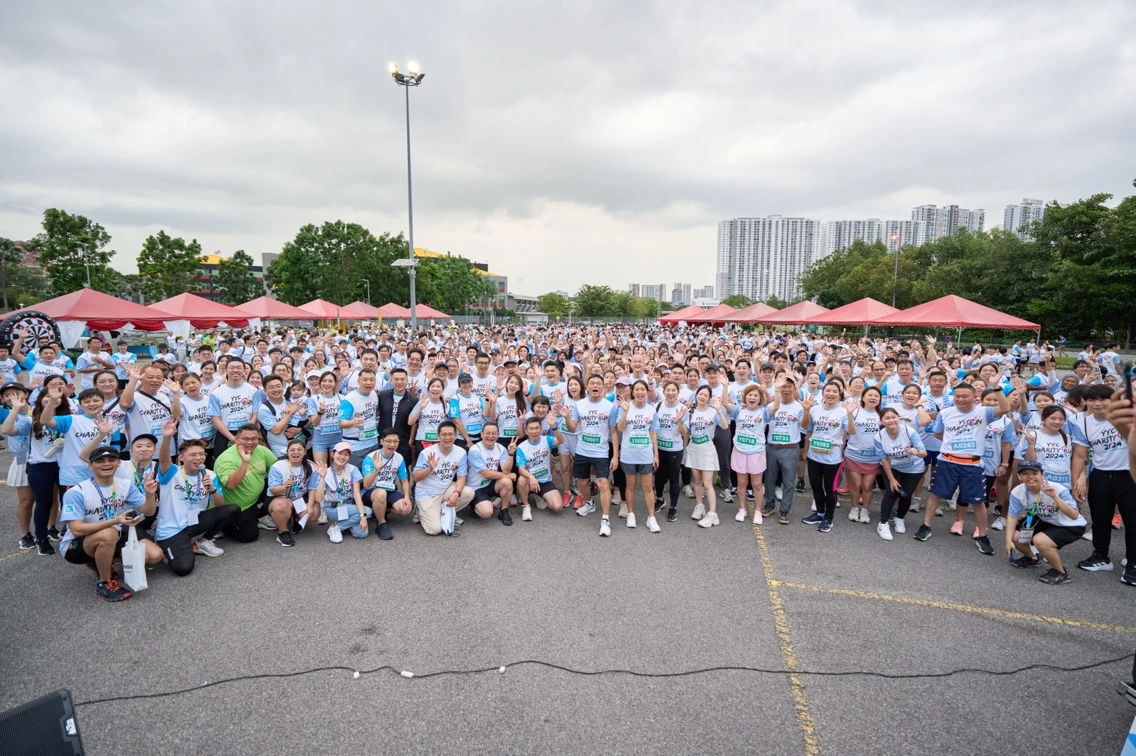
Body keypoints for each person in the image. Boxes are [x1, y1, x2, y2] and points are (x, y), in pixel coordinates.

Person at [59, 445, 162, 602]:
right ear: (90, 465)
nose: (106, 464)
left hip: (114, 530)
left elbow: (148, 512)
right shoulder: (77, 492)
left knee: (155, 555)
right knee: (109, 533)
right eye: (100, 461)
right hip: (76, 544)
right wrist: (114, 521)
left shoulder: (125, 484)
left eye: (111, 460)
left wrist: (149, 494)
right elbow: (76, 529)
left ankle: (100, 560)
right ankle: (104, 584)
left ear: (118, 463)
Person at [915, 382, 1009, 554]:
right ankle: (926, 525)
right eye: (957, 396)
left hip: (972, 464)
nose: (961, 399)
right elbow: (937, 433)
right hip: (947, 461)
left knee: (979, 501)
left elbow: (1004, 408)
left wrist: (996, 387)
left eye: (965, 396)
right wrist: (953, 444)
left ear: (975, 397)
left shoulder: (983, 412)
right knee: (935, 495)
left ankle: (982, 535)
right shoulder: (945, 413)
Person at [154, 420, 239, 570]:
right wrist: (167, 438)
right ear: (181, 457)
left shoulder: (210, 475)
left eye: (201, 454)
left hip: (195, 521)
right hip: (173, 528)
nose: (198, 458)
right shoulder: (172, 472)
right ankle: (171, 547)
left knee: (232, 509)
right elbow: (163, 459)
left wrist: (212, 490)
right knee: (184, 568)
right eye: (192, 455)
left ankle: (201, 541)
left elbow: (220, 504)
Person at [1074, 384, 1135, 582]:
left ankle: (1133, 562)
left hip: (1129, 475)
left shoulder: (1126, 416)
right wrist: (1077, 479)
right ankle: (1101, 556)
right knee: (1100, 519)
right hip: (1101, 475)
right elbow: (1080, 454)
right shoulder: (1083, 423)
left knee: (1133, 521)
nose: (1098, 403)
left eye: (1103, 399)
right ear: (1085, 401)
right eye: (1092, 400)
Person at [2, 375, 69, 554]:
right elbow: (6, 430)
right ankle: (40, 538)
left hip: (65, 467)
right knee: (43, 503)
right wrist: (15, 409)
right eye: (47, 396)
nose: (52, 398)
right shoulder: (30, 420)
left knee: (67, 501)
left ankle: (70, 533)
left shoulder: (69, 418)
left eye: (56, 396)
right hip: (40, 466)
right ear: (40, 400)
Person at [1004, 460, 1086, 584]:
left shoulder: (1058, 489)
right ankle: (1032, 558)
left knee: (1040, 541)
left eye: (1034, 473)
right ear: (1019, 476)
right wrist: (1008, 540)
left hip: (1071, 525)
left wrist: (1054, 497)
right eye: (1025, 473)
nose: (1030, 477)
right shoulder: (1017, 492)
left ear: (1042, 474)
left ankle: (1061, 572)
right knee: (1015, 537)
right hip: (1045, 519)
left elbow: (1074, 515)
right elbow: (1012, 516)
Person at [565, 374, 620, 536]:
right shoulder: (580, 405)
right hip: (582, 450)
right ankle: (589, 504)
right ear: (587, 387)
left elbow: (614, 433)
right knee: (582, 482)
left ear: (603, 387)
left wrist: (615, 456)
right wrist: (567, 417)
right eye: (592, 383)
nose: (595, 385)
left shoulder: (610, 406)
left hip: (601, 452)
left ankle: (605, 519)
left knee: (603, 483)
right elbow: (571, 428)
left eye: (598, 383)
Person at [801, 382, 854, 533]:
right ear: (823, 393)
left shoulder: (843, 412)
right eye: (828, 391)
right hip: (814, 455)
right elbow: (806, 428)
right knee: (816, 486)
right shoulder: (815, 409)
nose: (831, 394)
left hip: (832, 458)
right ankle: (819, 513)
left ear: (840, 394)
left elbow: (851, 431)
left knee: (830, 489)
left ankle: (829, 518)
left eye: (834, 391)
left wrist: (850, 414)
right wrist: (806, 411)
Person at [212, 423, 277, 542]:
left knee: (277, 482)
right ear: (236, 439)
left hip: (254, 497)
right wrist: (245, 462)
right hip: (238, 506)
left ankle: (260, 515)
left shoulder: (261, 450)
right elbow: (231, 485)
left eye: (254, 439)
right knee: (250, 535)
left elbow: (278, 469)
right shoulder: (226, 459)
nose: (250, 442)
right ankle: (222, 525)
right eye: (245, 439)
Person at [411, 421, 474, 536]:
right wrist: (429, 469)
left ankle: (442, 512)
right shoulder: (427, 453)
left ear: (455, 436)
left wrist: (456, 493)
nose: (447, 437)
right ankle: (420, 511)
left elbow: (461, 477)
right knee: (434, 530)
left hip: (445, 489)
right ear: (438, 436)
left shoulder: (461, 452)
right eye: (444, 434)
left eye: (451, 434)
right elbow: (415, 478)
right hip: (427, 493)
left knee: (468, 492)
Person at [874, 407, 927, 540]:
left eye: (894, 417)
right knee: (891, 492)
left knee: (906, 494)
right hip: (893, 468)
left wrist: (916, 451)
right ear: (881, 421)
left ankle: (900, 518)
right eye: (887, 418)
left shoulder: (909, 431)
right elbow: (884, 459)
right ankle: (883, 523)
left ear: (899, 418)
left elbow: (923, 453)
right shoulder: (879, 436)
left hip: (914, 468)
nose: (891, 420)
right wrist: (891, 479)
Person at [682, 384, 730, 529]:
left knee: (708, 483)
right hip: (693, 448)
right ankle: (699, 506)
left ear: (709, 398)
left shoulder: (713, 412)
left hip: (707, 449)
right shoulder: (690, 412)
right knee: (696, 480)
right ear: (696, 395)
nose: (702, 397)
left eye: (705, 395)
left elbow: (725, 426)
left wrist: (718, 410)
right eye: (700, 394)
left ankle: (712, 514)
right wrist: (685, 448)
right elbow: (686, 432)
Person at [614, 379, 660, 530]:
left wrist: (656, 454)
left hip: (646, 453)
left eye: (643, 389)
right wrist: (626, 411)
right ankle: (631, 514)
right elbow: (620, 428)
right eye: (637, 390)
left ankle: (651, 518)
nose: (640, 392)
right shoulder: (625, 406)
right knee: (631, 485)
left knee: (647, 487)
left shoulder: (651, 410)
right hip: (629, 453)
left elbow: (652, 433)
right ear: (632, 392)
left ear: (647, 392)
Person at [762, 374, 807, 525]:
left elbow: (805, 426)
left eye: (789, 387)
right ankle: (769, 505)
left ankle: (784, 510)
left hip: (790, 448)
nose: (786, 390)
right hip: (772, 447)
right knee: (769, 479)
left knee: (788, 482)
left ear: (795, 388)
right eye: (783, 387)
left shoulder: (799, 407)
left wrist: (807, 411)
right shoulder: (772, 406)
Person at [265, 439, 324, 547]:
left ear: (305, 452)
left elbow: (312, 489)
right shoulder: (278, 466)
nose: (296, 452)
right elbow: (273, 490)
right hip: (281, 496)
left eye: (299, 450)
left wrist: (310, 506)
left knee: (314, 513)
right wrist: (284, 487)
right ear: (287, 452)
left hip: (299, 496)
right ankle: (283, 532)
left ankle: (296, 519)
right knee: (282, 505)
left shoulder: (310, 466)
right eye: (292, 450)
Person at [361, 429, 414, 540]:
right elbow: (366, 484)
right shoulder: (371, 458)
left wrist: (407, 498)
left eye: (395, 441)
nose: (392, 444)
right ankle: (381, 524)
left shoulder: (399, 457)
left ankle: (382, 508)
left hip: (388, 489)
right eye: (388, 441)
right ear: (381, 441)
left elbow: (404, 480)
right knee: (381, 494)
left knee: (404, 509)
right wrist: (376, 469)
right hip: (370, 492)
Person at [1, 382, 35, 550]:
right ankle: (25, 534)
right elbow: (6, 430)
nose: (12, 397)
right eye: (7, 395)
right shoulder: (5, 413)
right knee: (26, 500)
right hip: (23, 457)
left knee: (50, 498)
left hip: (46, 456)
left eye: (16, 393)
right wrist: (15, 409)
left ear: (26, 394)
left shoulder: (37, 409)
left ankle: (51, 527)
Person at [729, 384, 769, 524]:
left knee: (757, 484)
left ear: (760, 399)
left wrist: (770, 391)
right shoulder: (738, 410)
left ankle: (758, 511)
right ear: (745, 396)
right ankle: (742, 509)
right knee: (741, 483)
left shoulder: (764, 412)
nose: (752, 397)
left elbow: (775, 405)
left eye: (756, 395)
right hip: (739, 450)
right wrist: (723, 386)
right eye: (750, 395)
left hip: (756, 452)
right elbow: (723, 403)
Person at [515, 416, 567, 521]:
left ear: (541, 429)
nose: (534, 431)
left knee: (557, 507)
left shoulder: (547, 439)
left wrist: (554, 427)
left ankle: (539, 495)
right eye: (531, 429)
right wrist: (531, 477)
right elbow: (521, 469)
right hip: (530, 481)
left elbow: (561, 440)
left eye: (536, 428)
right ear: (526, 431)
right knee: (521, 479)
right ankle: (526, 506)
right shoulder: (521, 447)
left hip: (545, 481)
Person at [466, 421, 516, 526]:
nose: (490, 436)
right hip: (476, 488)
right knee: (486, 513)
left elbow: (505, 470)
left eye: (494, 433)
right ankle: (474, 506)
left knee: (507, 482)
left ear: (498, 435)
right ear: (482, 434)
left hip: (490, 484)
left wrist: (510, 454)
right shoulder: (475, 450)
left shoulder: (501, 448)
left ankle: (504, 511)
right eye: (487, 433)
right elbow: (485, 473)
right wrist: (508, 475)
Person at [653, 380, 688, 523]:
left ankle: (673, 507)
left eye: (674, 390)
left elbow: (684, 432)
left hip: (675, 448)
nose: (671, 393)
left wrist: (679, 421)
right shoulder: (658, 406)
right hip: (660, 448)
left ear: (678, 393)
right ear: (664, 391)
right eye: (668, 390)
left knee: (674, 479)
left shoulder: (682, 408)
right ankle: (660, 499)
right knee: (659, 477)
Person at [338, 367, 380, 470]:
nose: (368, 382)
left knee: (371, 477)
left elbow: (375, 412)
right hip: (356, 446)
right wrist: (353, 423)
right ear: (358, 381)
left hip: (373, 442)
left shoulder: (374, 395)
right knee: (356, 479)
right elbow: (341, 423)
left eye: (372, 379)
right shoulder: (349, 399)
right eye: (365, 379)